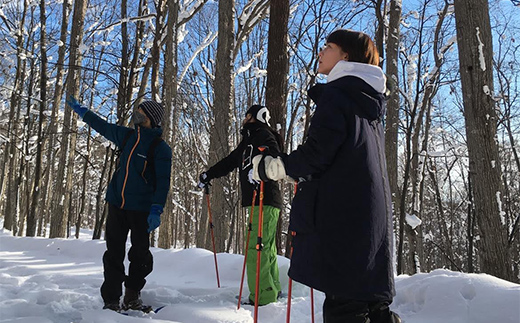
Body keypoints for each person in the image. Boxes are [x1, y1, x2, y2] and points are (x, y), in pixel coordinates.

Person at [253, 30, 401, 322]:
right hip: (369, 220)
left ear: (346, 56)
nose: (321, 52)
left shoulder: (338, 93)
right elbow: (343, 157)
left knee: (345, 307)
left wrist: (274, 167)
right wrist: (302, 174)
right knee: (371, 306)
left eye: (329, 47)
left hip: (343, 219)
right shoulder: (366, 100)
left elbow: (319, 152)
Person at [67, 97, 172, 312]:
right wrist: (82, 112)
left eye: (141, 112)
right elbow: (102, 127)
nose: (137, 114)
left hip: (141, 209)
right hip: (117, 204)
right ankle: (111, 300)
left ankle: (132, 295)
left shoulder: (160, 149)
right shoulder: (127, 137)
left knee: (140, 255)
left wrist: (156, 209)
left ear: (150, 118)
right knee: (113, 254)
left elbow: (163, 183)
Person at [198, 105, 283, 306]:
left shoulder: (263, 135)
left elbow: (275, 156)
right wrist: (209, 174)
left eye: (247, 116)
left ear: (256, 117)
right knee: (265, 247)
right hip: (259, 202)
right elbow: (230, 162)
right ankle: (271, 290)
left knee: (257, 248)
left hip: (263, 198)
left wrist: (260, 169)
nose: (244, 119)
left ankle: (262, 297)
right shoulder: (248, 141)